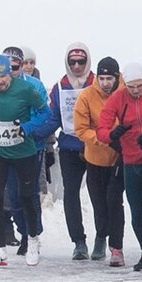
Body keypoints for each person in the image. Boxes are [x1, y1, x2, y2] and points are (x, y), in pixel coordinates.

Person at [0, 54, 55, 266]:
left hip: (23, 152)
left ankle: (33, 239)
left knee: (26, 197)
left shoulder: (25, 89)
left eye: (3, 77)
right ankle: (0, 249)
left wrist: (27, 127)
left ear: (11, 74)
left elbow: (46, 112)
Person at [98, 61, 142, 271]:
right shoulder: (118, 98)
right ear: (124, 84)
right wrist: (112, 135)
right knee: (135, 209)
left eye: (140, 85)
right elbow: (102, 127)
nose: (136, 91)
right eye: (132, 86)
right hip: (130, 160)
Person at [74, 56, 126, 266]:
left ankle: (116, 246)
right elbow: (81, 129)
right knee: (99, 203)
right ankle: (100, 236)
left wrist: (121, 143)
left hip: (119, 158)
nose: (106, 83)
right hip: (95, 157)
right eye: (102, 78)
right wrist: (103, 139)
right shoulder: (86, 95)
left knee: (114, 202)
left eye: (109, 78)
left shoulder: (125, 94)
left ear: (116, 77)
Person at [48, 43, 95, 260]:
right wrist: (29, 132)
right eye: (72, 62)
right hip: (69, 147)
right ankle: (79, 241)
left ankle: (104, 237)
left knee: (100, 194)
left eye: (81, 62)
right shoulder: (60, 86)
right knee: (71, 193)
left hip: (96, 147)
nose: (76, 66)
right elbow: (53, 118)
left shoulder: (98, 82)